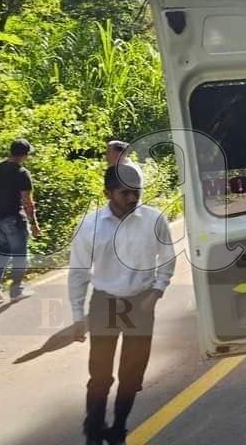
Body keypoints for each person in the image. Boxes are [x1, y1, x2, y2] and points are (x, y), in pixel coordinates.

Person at [68, 164, 176, 445]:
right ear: (107, 193)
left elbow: (167, 257)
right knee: (100, 374)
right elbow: (78, 272)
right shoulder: (90, 226)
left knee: (132, 374)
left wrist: (157, 292)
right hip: (104, 303)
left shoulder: (153, 220)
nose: (131, 198)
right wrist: (78, 316)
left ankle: (118, 428)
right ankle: (94, 430)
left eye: (136, 192)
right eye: (124, 193)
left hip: (141, 304)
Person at [0, 138, 41, 301]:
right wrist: (34, 224)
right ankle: (16, 290)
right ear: (25, 155)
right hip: (14, 219)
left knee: (3, 252)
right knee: (20, 255)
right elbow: (27, 201)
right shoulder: (22, 173)